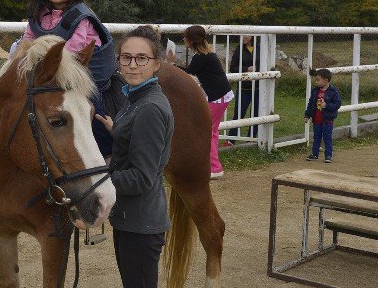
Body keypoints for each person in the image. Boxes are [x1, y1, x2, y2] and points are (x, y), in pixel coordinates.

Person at [95, 25, 174, 288]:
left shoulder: (149, 107)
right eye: (126, 58)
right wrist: (116, 128)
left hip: (140, 224)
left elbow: (140, 178)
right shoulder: (135, 97)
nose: (132, 65)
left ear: (156, 64)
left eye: (142, 58)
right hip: (133, 219)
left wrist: (98, 180)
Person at [23, 0, 117, 156]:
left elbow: (75, 48)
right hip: (58, 71)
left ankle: (105, 148)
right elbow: (27, 40)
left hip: (88, 72)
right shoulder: (39, 15)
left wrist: (46, 60)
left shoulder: (81, 17)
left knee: (93, 103)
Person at [179, 25, 233, 179]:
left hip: (218, 98)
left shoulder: (200, 58)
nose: (183, 40)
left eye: (185, 37)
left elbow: (187, 73)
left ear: (191, 40)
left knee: (207, 131)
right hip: (221, 96)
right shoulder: (206, 55)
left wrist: (169, 64)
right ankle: (211, 166)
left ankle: (215, 168)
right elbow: (190, 71)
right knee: (211, 131)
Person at [305, 68, 342, 163]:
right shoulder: (315, 91)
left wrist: (327, 105)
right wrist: (307, 115)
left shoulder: (333, 91)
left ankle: (328, 155)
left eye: (318, 80)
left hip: (328, 120)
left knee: (327, 138)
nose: (316, 82)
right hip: (317, 119)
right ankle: (314, 154)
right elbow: (311, 104)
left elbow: (337, 104)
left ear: (325, 80)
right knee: (316, 137)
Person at [227, 35, 260, 139]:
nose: (243, 38)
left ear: (252, 36)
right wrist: (246, 69)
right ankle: (231, 139)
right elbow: (233, 68)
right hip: (244, 88)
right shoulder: (239, 49)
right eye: (242, 36)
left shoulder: (260, 48)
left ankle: (251, 138)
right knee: (238, 114)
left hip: (259, 88)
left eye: (246, 35)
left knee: (256, 115)